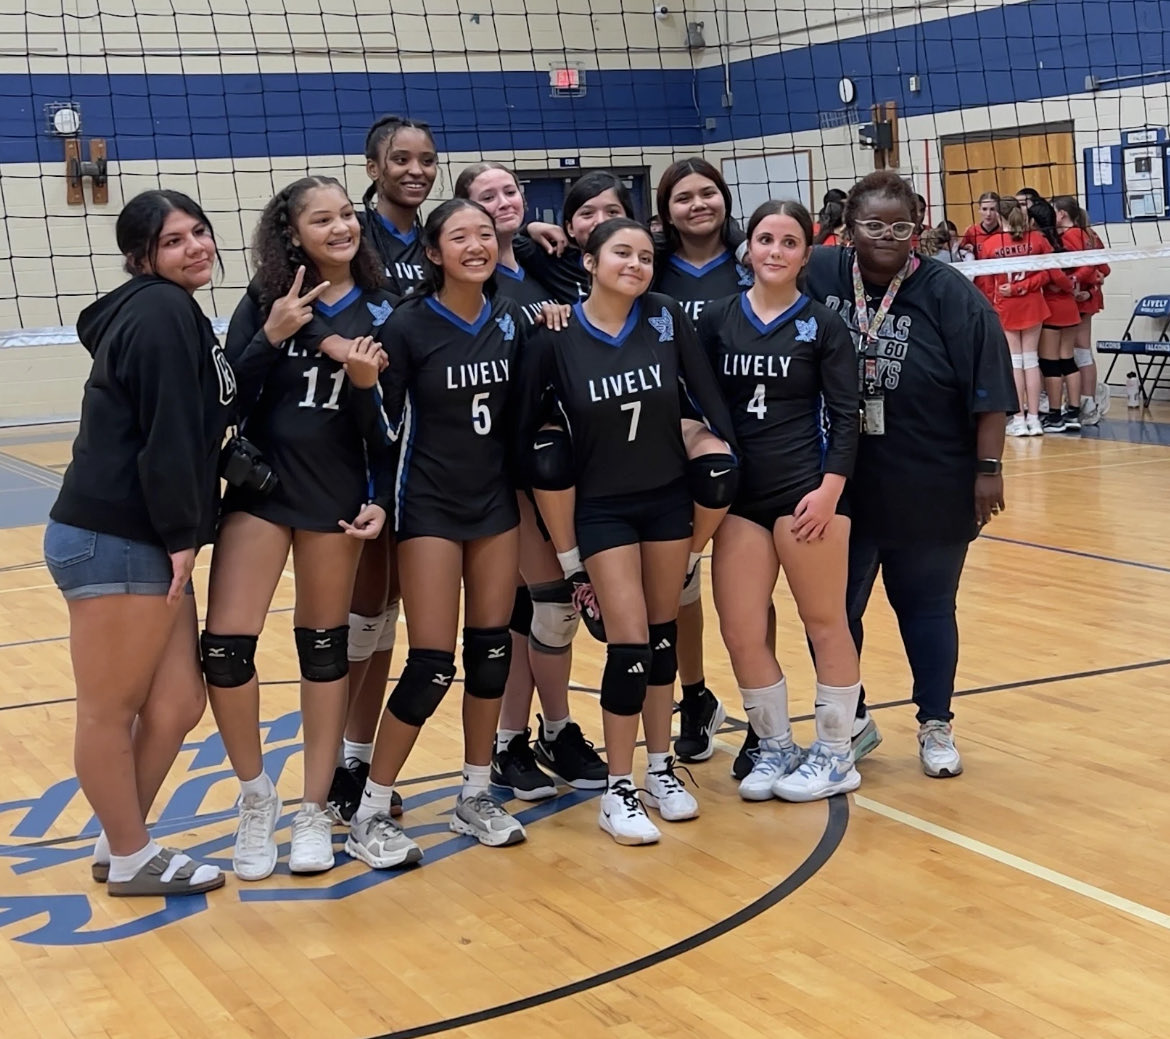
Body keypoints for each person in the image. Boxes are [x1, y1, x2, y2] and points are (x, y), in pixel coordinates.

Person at [516, 217, 739, 845]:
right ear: (589, 262)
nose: (636, 265)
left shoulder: (665, 316)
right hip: (604, 508)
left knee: (663, 639)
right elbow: (529, 429)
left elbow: (702, 390)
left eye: (645, 255)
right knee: (631, 645)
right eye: (621, 253)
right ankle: (618, 788)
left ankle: (662, 769)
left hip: (666, 499)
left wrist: (724, 448)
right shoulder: (557, 335)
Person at [44, 189, 233, 896]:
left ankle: (119, 835)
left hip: (143, 535)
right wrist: (183, 533)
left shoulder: (172, 309)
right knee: (108, 709)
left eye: (200, 231)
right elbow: (168, 437)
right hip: (117, 535)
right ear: (142, 256)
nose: (196, 246)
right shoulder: (159, 311)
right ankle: (129, 853)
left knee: (180, 700)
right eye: (175, 240)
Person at [204, 176, 393, 880]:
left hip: (337, 498)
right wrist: (272, 338)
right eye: (324, 219)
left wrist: (382, 499)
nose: (342, 227)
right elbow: (225, 401)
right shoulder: (261, 301)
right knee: (224, 649)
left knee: (325, 649)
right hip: (263, 490)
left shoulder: (384, 308)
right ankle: (257, 797)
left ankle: (314, 806)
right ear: (292, 233)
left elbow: (389, 428)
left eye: (348, 214)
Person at [804, 170, 1017, 778]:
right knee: (836, 611)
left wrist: (988, 470)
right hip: (839, 484)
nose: (887, 237)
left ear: (918, 229)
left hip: (931, 479)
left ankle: (936, 723)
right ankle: (851, 719)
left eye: (901, 227)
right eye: (873, 226)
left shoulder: (953, 295)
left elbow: (991, 391)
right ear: (848, 230)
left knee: (927, 607)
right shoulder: (817, 273)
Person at [344, 199, 529, 869]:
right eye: (460, 236)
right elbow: (384, 431)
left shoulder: (511, 319)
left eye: (485, 233)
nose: (476, 244)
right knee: (431, 664)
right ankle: (369, 810)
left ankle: (475, 793)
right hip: (427, 506)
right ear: (433, 252)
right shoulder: (410, 325)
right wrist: (364, 386)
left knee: (490, 655)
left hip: (494, 506)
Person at [455, 161, 608, 799]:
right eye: (484, 198)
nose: (502, 203)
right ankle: (520, 738)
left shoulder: (549, 262)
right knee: (544, 603)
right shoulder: (477, 280)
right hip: (506, 467)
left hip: (572, 458)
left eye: (510, 191)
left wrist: (541, 231)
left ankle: (541, 732)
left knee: (532, 610)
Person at [701, 200, 863, 802]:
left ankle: (836, 753)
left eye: (789, 242)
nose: (774, 250)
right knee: (741, 629)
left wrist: (829, 491)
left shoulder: (823, 325)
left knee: (824, 622)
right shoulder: (718, 318)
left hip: (807, 494)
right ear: (748, 248)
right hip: (741, 498)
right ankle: (774, 748)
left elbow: (847, 417)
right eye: (765, 238)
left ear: (805, 253)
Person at [652, 157, 755, 764]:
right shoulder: (649, 266)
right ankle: (694, 696)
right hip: (668, 438)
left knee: (747, 589)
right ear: (665, 211)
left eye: (707, 193)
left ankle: (766, 717)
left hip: (749, 434)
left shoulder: (750, 263)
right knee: (680, 582)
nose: (697, 205)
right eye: (683, 197)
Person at [978, 200, 1052, 437]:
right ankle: (1035, 419)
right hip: (1032, 305)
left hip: (1006, 307)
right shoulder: (1037, 240)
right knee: (1031, 361)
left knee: (1015, 362)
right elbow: (1048, 272)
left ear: (999, 216)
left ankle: (1018, 420)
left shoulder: (989, 245)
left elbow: (987, 286)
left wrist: (1004, 296)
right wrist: (1024, 287)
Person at [1054, 195, 1110, 426]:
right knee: (1080, 351)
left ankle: (1087, 402)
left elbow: (1089, 265)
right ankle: (1087, 400)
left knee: (1078, 351)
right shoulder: (1089, 233)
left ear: (1061, 214)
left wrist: (1075, 281)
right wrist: (1096, 281)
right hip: (1086, 296)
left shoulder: (1072, 235)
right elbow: (1103, 267)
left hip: (1079, 298)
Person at [1030, 198, 1082, 433]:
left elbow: (1055, 275)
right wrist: (1073, 285)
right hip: (1069, 307)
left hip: (1053, 309)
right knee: (1067, 360)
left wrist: (1066, 285)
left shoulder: (1041, 242)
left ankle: (1055, 416)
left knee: (1051, 364)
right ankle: (1073, 412)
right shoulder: (1060, 241)